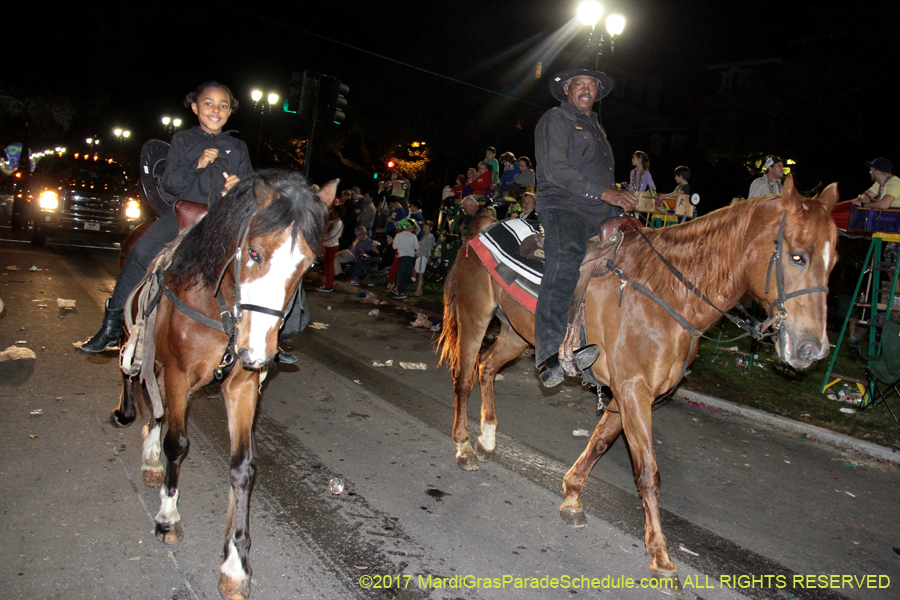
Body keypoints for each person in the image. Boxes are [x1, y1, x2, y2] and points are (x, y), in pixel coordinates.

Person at [79, 81, 253, 353]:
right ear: (195, 107)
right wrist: (198, 165)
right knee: (140, 253)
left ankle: (271, 333)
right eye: (208, 103)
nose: (216, 110)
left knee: (264, 260)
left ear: (231, 111)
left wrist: (239, 185)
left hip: (221, 220)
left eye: (223, 105)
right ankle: (111, 325)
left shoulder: (238, 147)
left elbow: (250, 187)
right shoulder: (183, 139)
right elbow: (169, 183)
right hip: (184, 215)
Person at [534, 68, 636, 387]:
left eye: (592, 86)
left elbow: (598, 175)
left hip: (600, 213)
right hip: (564, 207)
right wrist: (606, 192)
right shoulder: (555, 119)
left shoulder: (598, 129)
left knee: (637, 268)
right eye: (579, 85)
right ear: (567, 90)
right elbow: (556, 170)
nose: (586, 90)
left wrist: (619, 195)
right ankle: (549, 353)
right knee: (565, 263)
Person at [318, 207, 343, 292]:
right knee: (331, 266)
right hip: (335, 244)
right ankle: (329, 284)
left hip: (329, 245)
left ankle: (328, 286)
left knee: (328, 266)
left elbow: (325, 232)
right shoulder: (341, 223)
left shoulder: (333, 223)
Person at [392, 219, 419, 300]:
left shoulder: (398, 235)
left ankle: (401, 291)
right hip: (411, 256)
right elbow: (417, 247)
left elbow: (394, 246)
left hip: (402, 256)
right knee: (407, 273)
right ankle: (402, 289)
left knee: (402, 274)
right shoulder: (413, 236)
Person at [413, 220, 436, 296]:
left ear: (430, 228)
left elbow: (430, 247)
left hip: (423, 255)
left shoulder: (429, 236)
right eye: (424, 227)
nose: (425, 228)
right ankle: (420, 290)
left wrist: (428, 257)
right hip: (420, 255)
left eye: (427, 227)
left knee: (420, 274)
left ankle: (417, 292)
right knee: (418, 273)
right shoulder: (425, 236)